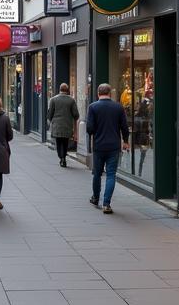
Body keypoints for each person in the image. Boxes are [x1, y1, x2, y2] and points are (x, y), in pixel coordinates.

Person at [86, 83, 130, 214]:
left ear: (98, 93)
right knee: (111, 175)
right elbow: (124, 127)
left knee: (97, 174)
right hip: (114, 146)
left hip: (99, 146)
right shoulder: (118, 107)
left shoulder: (93, 107)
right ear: (110, 93)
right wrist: (125, 141)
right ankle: (106, 204)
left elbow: (89, 128)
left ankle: (95, 198)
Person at [47, 83, 80, 168]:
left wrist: (50, 121)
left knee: (58, 142)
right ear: (67, 90)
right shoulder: (71, 100)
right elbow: (76, 114)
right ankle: (64, 157)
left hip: (57, 125)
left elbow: (50, 114)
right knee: (65, 142)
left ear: (59, 89)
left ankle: (61, 156)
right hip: (67, 125)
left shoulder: (53, 99)